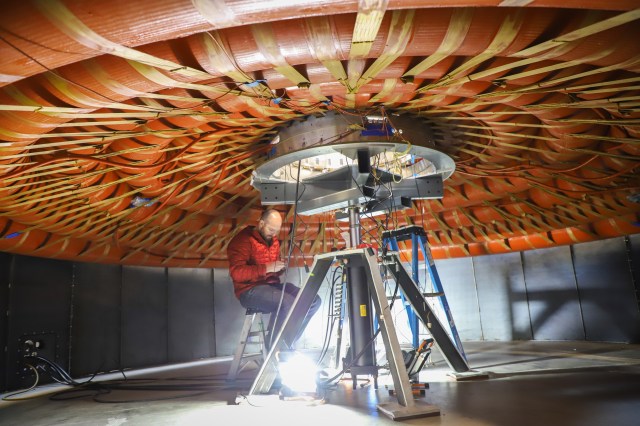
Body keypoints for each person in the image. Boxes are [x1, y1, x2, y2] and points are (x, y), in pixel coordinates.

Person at [227, 208, 321, 347]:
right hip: (249, 291)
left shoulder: (273, 240)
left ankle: (288, 341)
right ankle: (274, 347)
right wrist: (267, 268)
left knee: (313, 300)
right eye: (271, 230)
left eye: (277, 230)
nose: (274, 234)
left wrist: (279, 269)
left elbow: (273, 270)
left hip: (270, 286)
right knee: (287, 302)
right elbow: (237, 273)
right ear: (261, 224)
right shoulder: (242, 240)